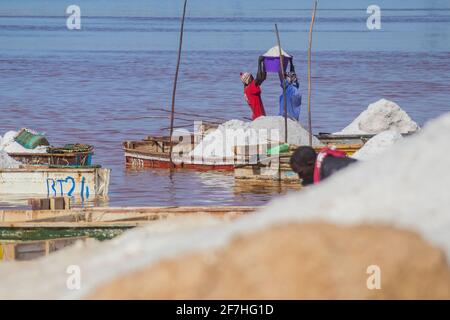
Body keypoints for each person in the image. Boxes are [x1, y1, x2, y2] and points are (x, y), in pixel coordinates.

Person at [290, 146, 357, 186]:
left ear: (310, 163)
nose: (300, 177)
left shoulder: (330, 170)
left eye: (301, 172)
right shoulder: (323, 166)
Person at [240, 56, 267, 120]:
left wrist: (264, 63)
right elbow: (259, 77)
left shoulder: (247, 89)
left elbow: (262, 78)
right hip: (259, 117)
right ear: (248, 80)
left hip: (257, 116)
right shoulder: (250, 88)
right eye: (251, 77)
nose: (253, 78)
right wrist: (259, 62)